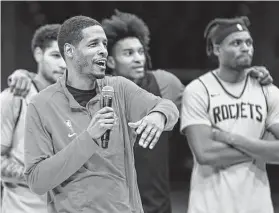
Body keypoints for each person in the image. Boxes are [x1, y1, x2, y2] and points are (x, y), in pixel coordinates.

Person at [23, 15, 179, 213]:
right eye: (93, 44)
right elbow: (37, 181)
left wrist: (159, 116)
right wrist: (89, 138)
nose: (103, 51)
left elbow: (168, 107)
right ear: (70, 51)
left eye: (104, 44)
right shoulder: (41, 104)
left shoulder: (119, 87)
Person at [181, 16, 279, 213]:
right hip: (210, 204)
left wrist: (229, 138)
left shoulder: (268, 90)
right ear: (217, 49)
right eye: (236, 43)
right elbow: (205, 153)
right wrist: (263, 148)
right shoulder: (198, 90)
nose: (245, 48)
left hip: (257, 205)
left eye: (249, 42)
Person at [101, 10, 185, 213]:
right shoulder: (98, 89)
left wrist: (249, 76)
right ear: (111, 61)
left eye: (140, 51)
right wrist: (23, 75)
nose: (139, 58)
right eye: (128, 53)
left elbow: (205, 97)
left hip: (156, 204)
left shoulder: (165, 83)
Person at [1, 24, 66, 213]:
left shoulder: (76, 102)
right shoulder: (14, 97)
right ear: (38, 54)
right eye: (55, 55)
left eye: (67, 57)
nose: (63, 64)